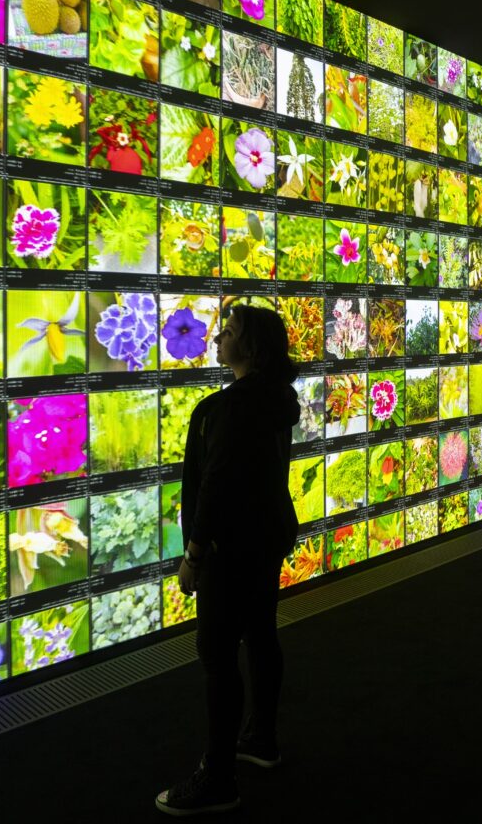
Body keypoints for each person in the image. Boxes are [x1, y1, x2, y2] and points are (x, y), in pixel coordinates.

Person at [157, 304, 300, 817]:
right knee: (261, 632)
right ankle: (261, 738)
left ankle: (217, 777)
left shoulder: (224, 409)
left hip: (227, 549)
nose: (218, 338)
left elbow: (213, 488)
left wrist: (194, 555)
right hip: (265, 539)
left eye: (230, 332)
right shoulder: (278, 400)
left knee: (216, 653)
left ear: (252, 347)